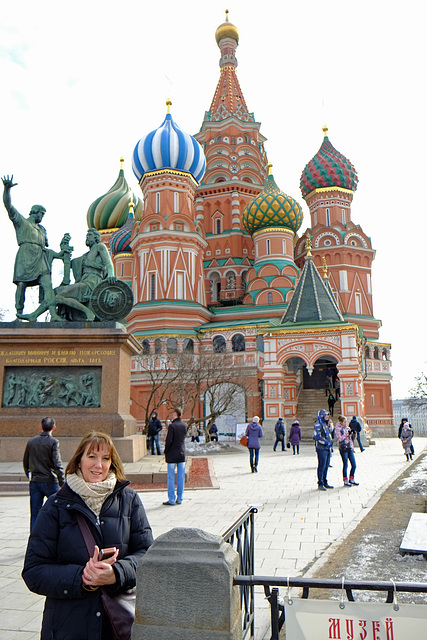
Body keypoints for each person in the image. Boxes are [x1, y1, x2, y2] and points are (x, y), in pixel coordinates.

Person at [22, 431, 153, 640]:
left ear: (112, 463)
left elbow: (147, 555)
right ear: (79, 461)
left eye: (105, 458)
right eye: (91, 457)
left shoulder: (129, 500)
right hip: (68, 627)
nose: (98, 465)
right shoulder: (55, 506)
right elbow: (33, 571)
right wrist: (81, 577)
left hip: (117, 627)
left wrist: (117, 573)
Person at [18, 228, 116, 322]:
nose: (87, 237)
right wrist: (65, 250)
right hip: (84, 280)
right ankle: (34, 315)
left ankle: (88, 312)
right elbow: (70, 263)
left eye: (89, 235)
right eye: (87, 235)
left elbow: (108, 263)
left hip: (92, 282)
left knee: (58, 295)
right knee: (53, 293)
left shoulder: (100, 247)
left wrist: (111, 274)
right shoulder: (86, 255)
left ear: (96, 237)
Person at [2, 175, 62, 320]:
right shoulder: (22, 222)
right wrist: (7, 189)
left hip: (40, 259)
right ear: (35, 212)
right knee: (21, 285)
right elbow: (9, 207)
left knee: (47, 284)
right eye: (42, 214)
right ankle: (19, 313)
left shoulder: (42, 229)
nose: (42, 217)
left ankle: (53, 314)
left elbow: (46, 249)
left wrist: (60, 255)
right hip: (25, 256)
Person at [23, 417, 65, 531]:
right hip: (50, 481)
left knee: (35, 514)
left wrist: (30, 476)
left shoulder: (31, 441)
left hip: (35, 481)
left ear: (41, 427)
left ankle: (34, 539)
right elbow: (57, 463)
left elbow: (25, 462)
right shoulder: (53, 442)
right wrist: (62, 481)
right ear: (54, 428)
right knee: (58, 510)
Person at [163, 408, 187, 505]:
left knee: (171, 477)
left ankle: (172, 499)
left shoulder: (172, 426)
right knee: (181, 477)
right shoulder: (185, 426)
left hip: (172, 454)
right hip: (181, 453)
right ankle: (180, 498)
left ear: (175, 414)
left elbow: (169, 441)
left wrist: (166, 451)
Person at [335, 415, 359, 486]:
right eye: (345, 421)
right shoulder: (338, 429)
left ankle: (352, 478)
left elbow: (352, 438)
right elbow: (340, 438)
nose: (346, 423)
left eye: (346, 421)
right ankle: (345, 480)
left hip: (350, 447)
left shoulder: (348, 428)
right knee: (345, 464)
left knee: (354, 465)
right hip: (343, 448)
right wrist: (346, 434)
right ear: (341, 422)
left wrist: (354, 433)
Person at [313, 409, 334, 490]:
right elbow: (317, 436)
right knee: (322, 466)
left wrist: (330, 426)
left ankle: (325, 481)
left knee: (326, 466)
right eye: (326, 415)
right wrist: (325, 442)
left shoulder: (325, 424)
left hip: (327, 448)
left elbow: (328, 432)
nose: (327, 416)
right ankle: (320, 482)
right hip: (322, 448)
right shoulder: (318, 424)